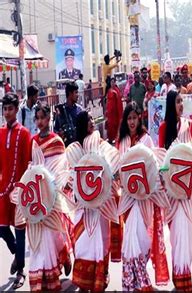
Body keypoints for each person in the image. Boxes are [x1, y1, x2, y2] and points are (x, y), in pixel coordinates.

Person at [116, 102, 168, 290]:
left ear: (140, 118)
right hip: (128, 201)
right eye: (128, 118)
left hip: (145, 200)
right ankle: (135, 283)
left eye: (134, 118)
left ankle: (141, 279)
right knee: (130, 242)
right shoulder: (121, 142)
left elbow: (155, 168)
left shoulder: (146, 140)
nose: (131, 122)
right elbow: (117, 169)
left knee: (142, 241)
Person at [158, 90, 192, 291]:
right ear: (170, 104)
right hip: (172, 191)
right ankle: (182, 278)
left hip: (188, 188)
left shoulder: (189, 125)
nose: (181, 104)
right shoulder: (164, 127)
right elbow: (161, 160)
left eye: (182, 100)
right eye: (177, 101)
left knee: (188, 238)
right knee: (176, 235)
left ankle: (185, 271)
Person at [30, 104, 72, 291]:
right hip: (37, 198)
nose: (40, 121)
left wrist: (52, 187)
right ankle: (44, 276)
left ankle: (62, 257)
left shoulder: (56, 142)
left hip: (53, 195)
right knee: (42, 237)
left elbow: (61, 168)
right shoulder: (32, 142)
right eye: (37, 118)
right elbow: (30, 168)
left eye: (43, 118)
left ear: (49, 119)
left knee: (56, 233)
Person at [71, 110, 112, 291]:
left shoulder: (102, 145)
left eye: (91, 119)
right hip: (82, 206)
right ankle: (84, 280)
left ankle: (100, 279)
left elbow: (111, 166)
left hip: (100, 205)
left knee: (101, 242)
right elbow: (70, 177)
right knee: (83, 244)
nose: (92, 122)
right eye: (87, 120)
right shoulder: (74, 150)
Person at [0, 93, 32, 289]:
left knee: (20, 231)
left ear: (16, 110)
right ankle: (16, 254)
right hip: (3, 190)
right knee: (2, 228)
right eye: (4, 109)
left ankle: (21, 270)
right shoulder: (1, 133)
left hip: (20, 190)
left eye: (10, 109)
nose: (7, 112)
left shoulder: (24, 133)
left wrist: (25, 187)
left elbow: (28, 161)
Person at [53, 82, 83, 146]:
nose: (78, 95)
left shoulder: (79, 110)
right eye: (76, 92)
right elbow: (56, 130)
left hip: (79, 146)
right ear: (70, 93)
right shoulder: (60, 111)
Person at [105, 77, 124, 143]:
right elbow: (107, 101)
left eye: (113, 82)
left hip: (115, 112)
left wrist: (119, 112)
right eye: (111, 82)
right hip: (109, 112)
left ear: (115, 82)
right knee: (109, 125)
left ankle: (115, 138)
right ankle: (109, 138)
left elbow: (119, 103)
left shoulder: (116, 91)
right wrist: (106, 110)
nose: (112, 83)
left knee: (115, 125)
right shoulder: (109, 90)